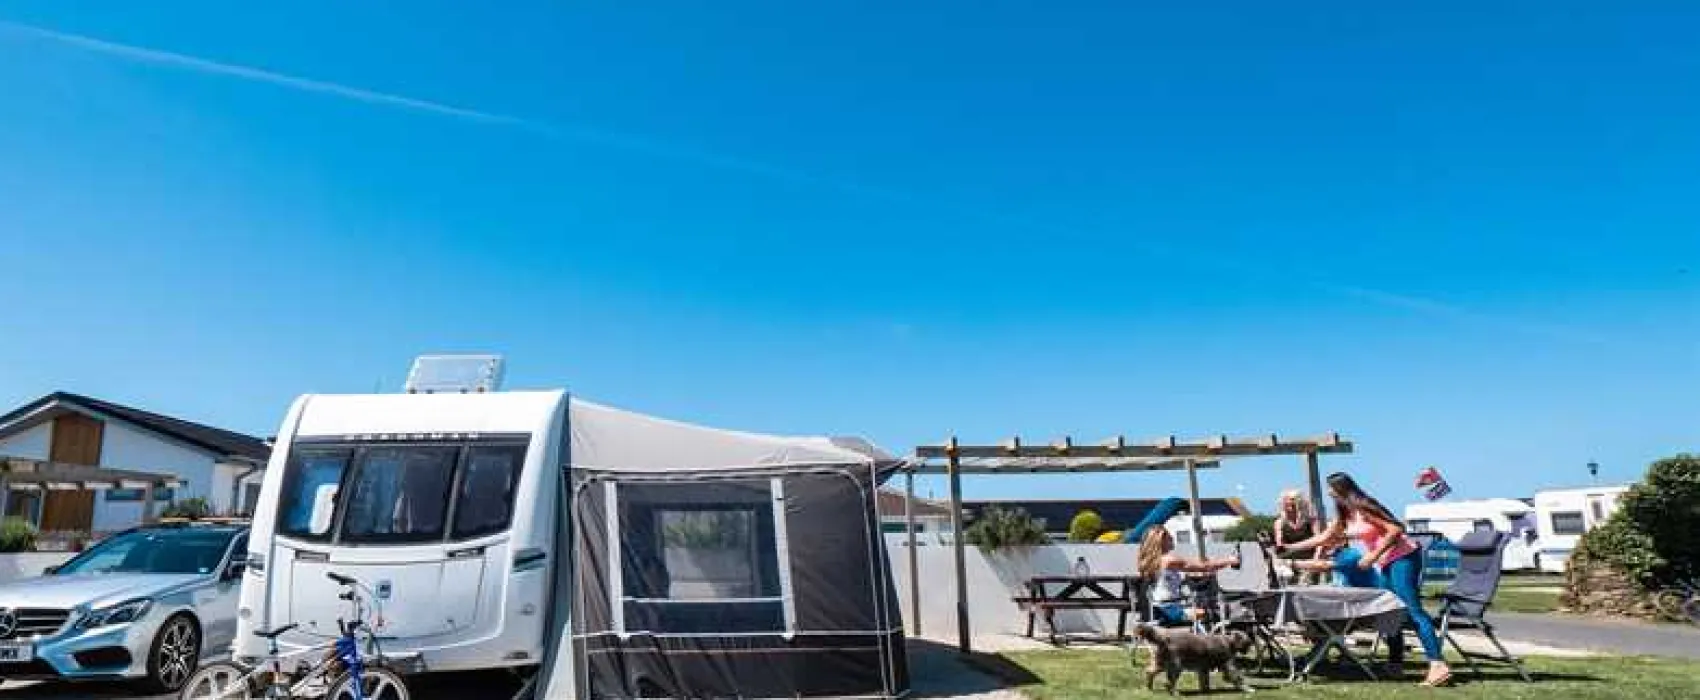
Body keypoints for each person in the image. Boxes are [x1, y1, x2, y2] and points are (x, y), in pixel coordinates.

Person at [1278, 472, 1452, 687]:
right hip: (1388, 561)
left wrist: (1373, 555)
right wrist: (1289, 548)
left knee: (1412, 610)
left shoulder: (1364, 506)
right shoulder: (1345, 514)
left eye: (1331, 488)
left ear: (1341, 488)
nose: (1329, 492)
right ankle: (1395, 664)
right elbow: (1324, 538)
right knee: (1389, 609)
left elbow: (1396, 529)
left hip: (1404, 557)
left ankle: (1438, 665)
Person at [1136, 525, 1241, 626]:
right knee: (1215, 613)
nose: (1172, 538)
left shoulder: (1150, 562)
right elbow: (1204, 566)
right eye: (1169, 536)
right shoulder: (1168, 560)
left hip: (1157, 608)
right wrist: (1230, 560)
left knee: (1205, 606)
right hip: (1170, 611)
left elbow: (1163, 583)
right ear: (1161, 540)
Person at [1273, 489, 1326, 585]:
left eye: (1293, 500)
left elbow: (1319, 541)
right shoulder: (1279, 522)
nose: (1290, 502)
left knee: (1309, 589)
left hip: (1310, 561)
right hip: (1289, 563)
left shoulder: (1310, 520)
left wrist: (1316, 559)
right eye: (1287, 499)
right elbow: (1280, 544)